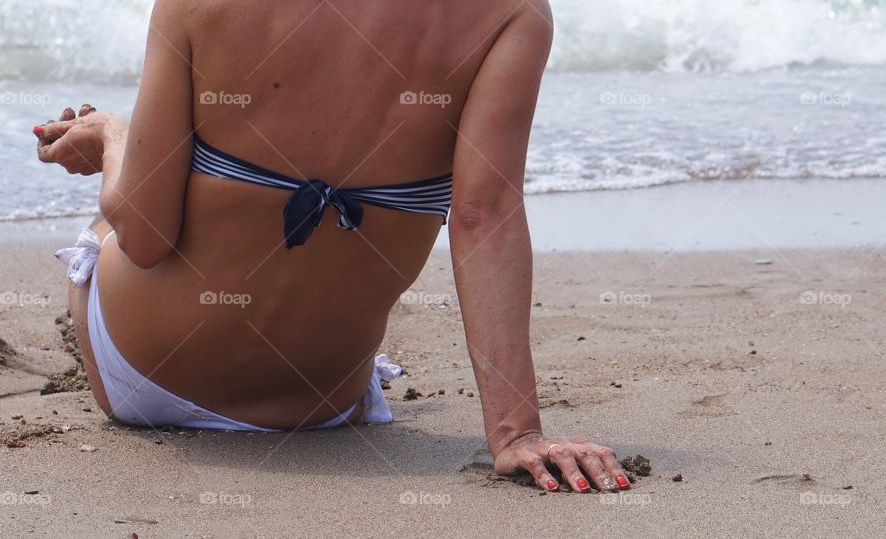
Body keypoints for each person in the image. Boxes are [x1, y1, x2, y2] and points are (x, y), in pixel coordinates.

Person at [35, 0, 630, 493]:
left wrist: (112, 135)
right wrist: (517, 433)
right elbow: (483, 216)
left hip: (141, 379)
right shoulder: (511, 13)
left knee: (110, 225)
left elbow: (145, 236)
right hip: (316, 405)